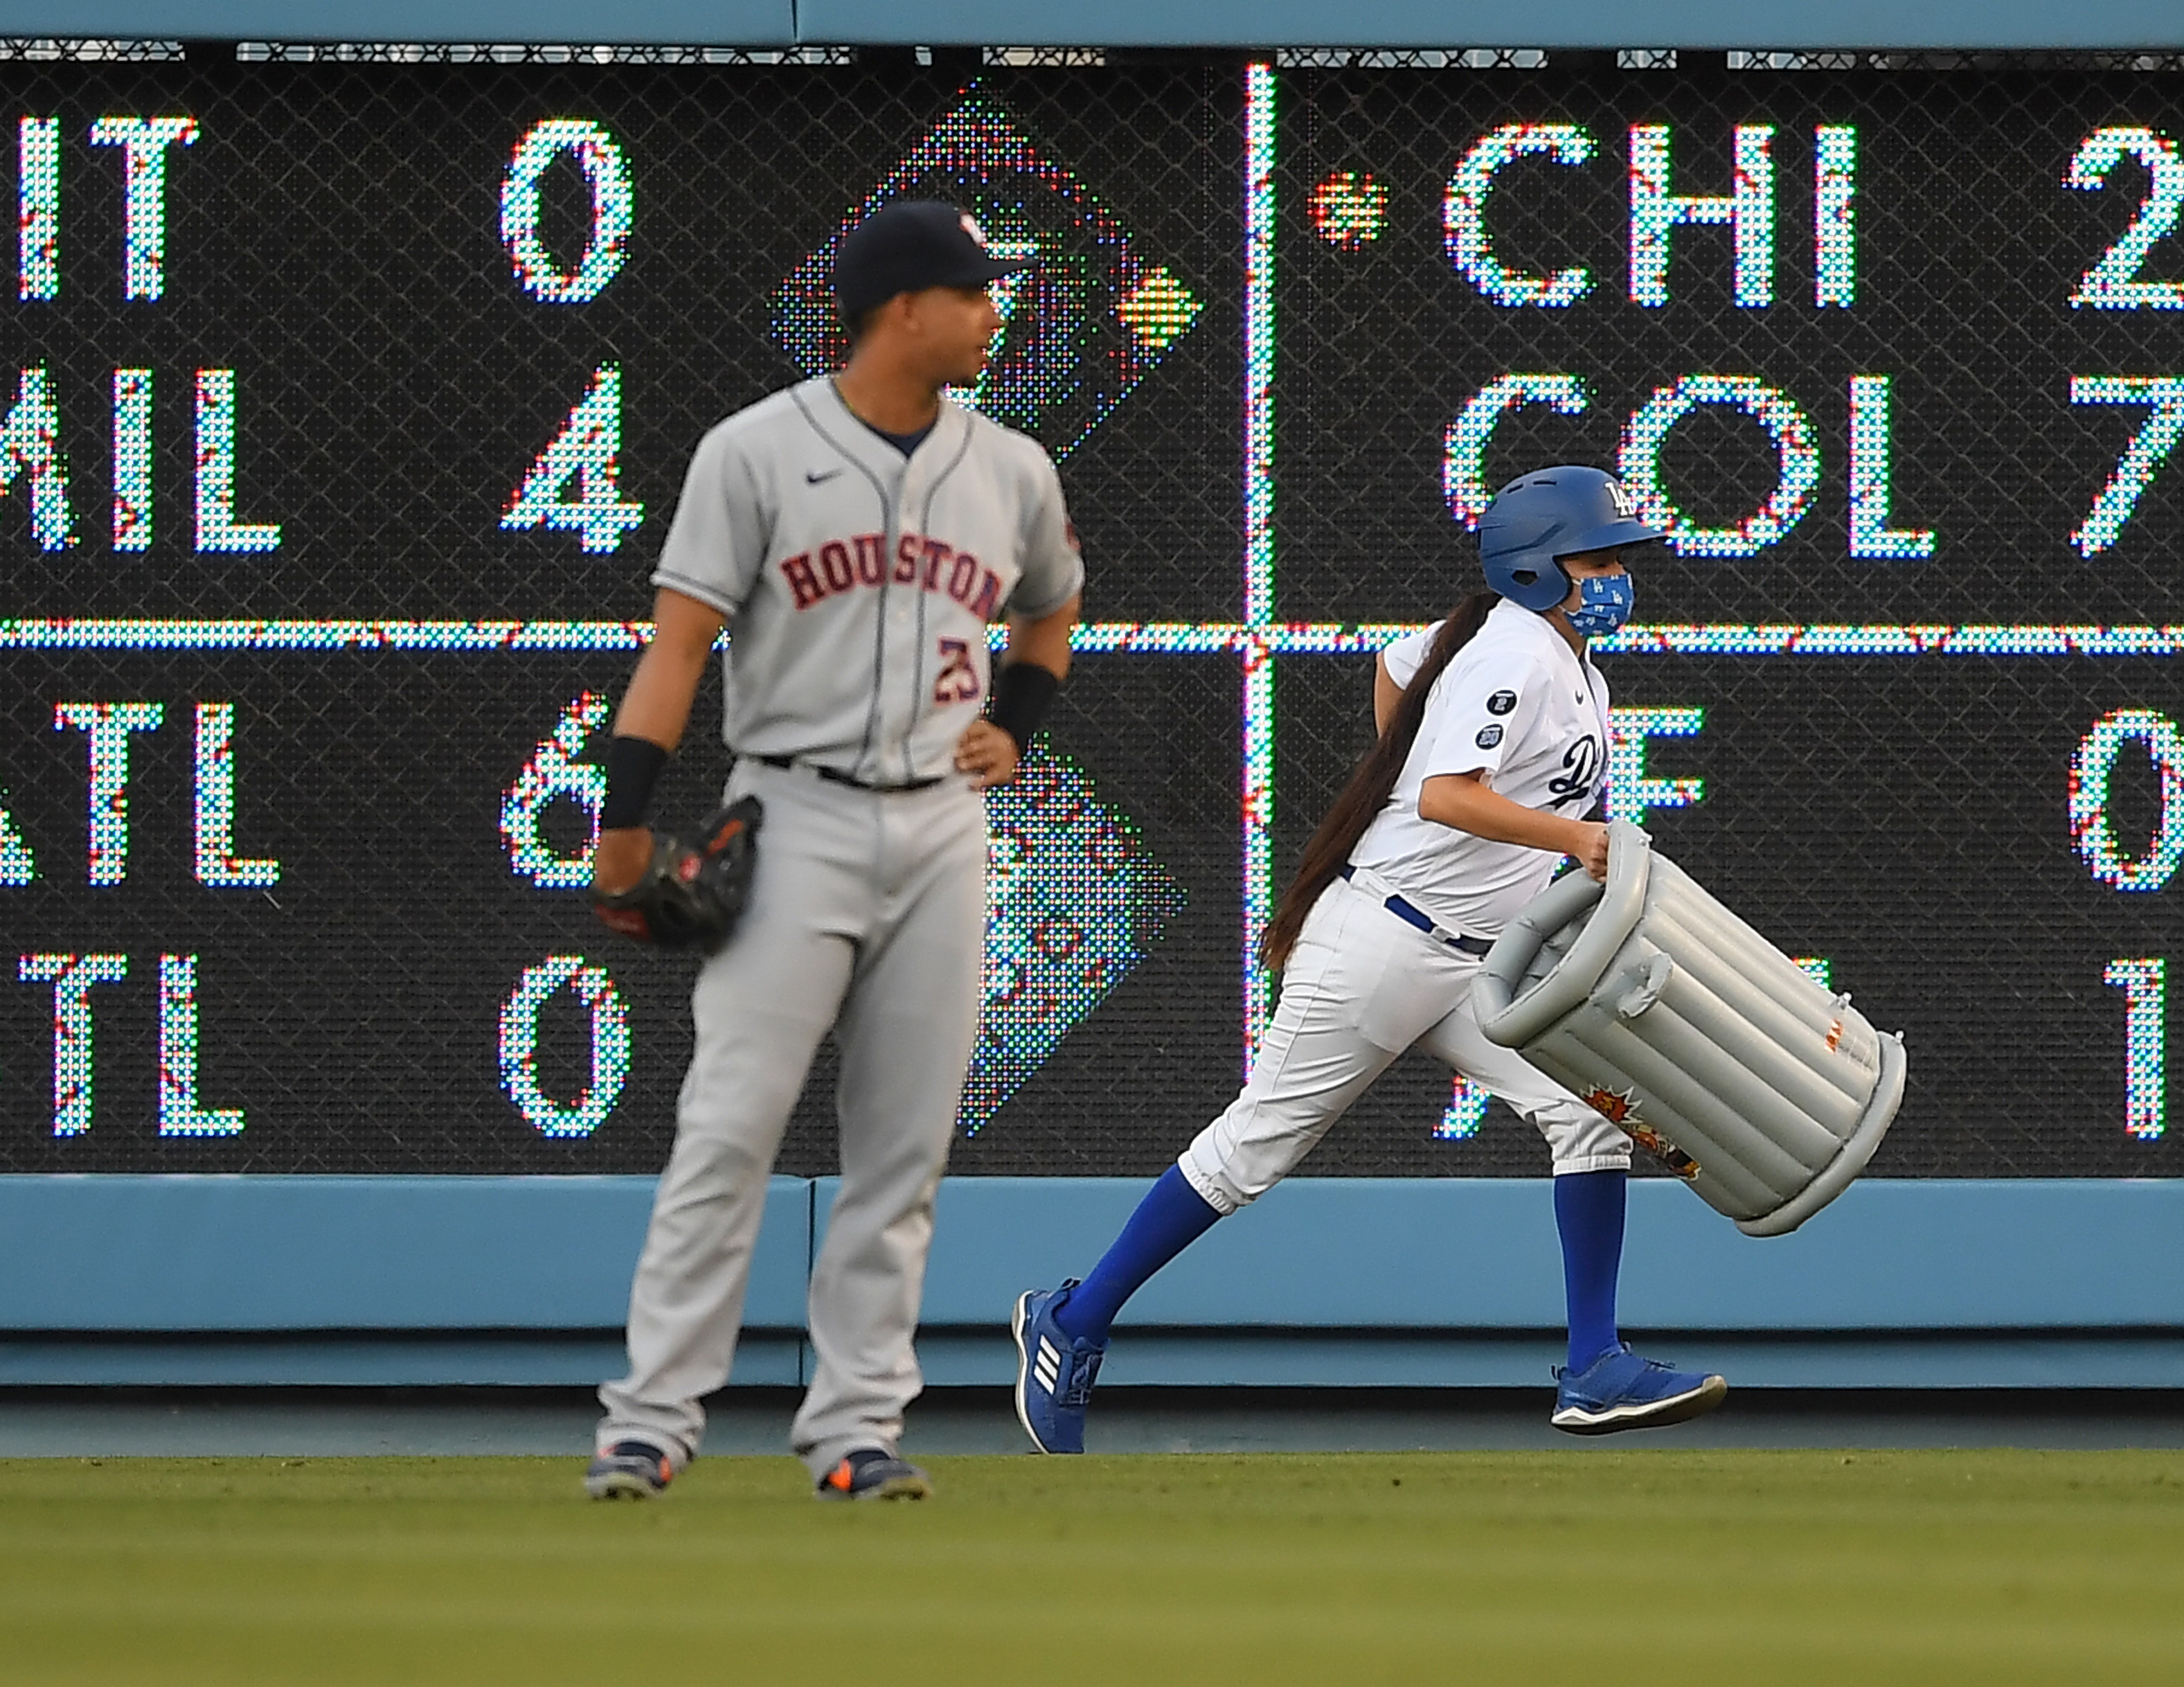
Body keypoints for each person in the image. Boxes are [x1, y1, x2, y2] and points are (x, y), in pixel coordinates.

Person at [1012, 465, 1726, 1454]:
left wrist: (1426, 764)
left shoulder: (1540, 654)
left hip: (1474, 964)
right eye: (1597, 558)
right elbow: (1442, 795)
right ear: (1535, 571)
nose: (1617, 576)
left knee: (1582, 1109)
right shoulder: (1516, 651)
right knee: (1254, 1149)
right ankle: (1075, 1318)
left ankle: (1595, 1366)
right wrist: (1564, 839)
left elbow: (1397, 668)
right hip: (1384, 943)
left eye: (1617, 559)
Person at [584, 199, 1084, 1501]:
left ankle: (857, 1429)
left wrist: (1015, 730)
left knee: (903, 1149)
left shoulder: (1012, 466)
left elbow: (1052, 611)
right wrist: (623, 820)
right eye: (974, 295)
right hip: (793, 810)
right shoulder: (752, 452)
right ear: (901, 309)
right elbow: (678, 647)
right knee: (728, 1127)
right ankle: (650, 1421)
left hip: (941, 825)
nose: (994, 313)